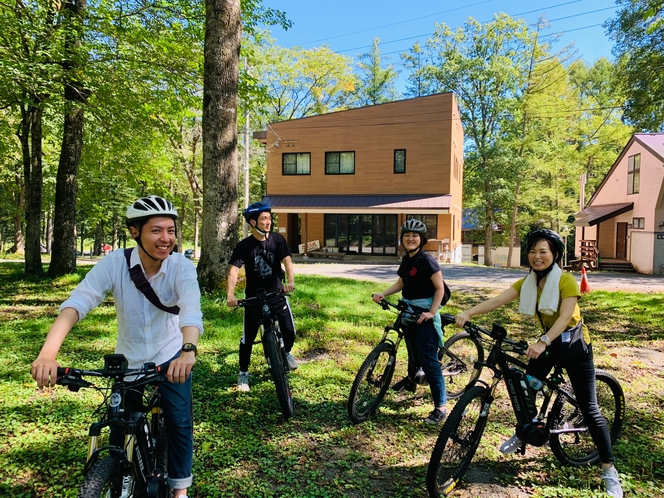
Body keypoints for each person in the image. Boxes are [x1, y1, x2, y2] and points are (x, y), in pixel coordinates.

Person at [31, 195, 203, 498]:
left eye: (171, 231)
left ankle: (180, 490)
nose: (166, 239)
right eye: (156, 230)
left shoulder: (181, 268)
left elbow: (190, 309)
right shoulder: (114, 264)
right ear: (135, 232)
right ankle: (116, 476)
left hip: (171, 355)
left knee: (178, 421)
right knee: (118, 425)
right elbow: (77, 303)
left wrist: (188, 350)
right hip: (130, 358)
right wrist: (48, 354)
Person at [455, 228, 623, 498]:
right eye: (532, 251)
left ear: (555, 254)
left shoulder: (565, 280)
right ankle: (526, 430)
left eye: (543, 251)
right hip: (548, 343)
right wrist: (468, 312)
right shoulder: (529, 282)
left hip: (574, 347)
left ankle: (608, 470)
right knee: (526, 384)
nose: (537, 256)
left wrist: (543, 341)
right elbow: (499, 299)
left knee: (590, 408)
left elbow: (566, 316)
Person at [372, 219, 449, 424]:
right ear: (402, 239)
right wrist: (383, 293)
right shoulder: (407, 259)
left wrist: (432, 313)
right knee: (412, 349)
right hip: (409, 310)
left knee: (429, 360)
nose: (411, 239)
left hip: (425, 313)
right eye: (407, 236)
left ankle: (441, 406)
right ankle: (412, 379)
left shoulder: (427, 260)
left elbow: (439, 289)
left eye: (415, 236)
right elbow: (401, 282)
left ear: (421, 239)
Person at [226, 202, 297, 392]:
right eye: (264, 218)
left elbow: (287, 261)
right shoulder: (244, 246)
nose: (268, 222)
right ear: (253, 222)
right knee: (247, 338)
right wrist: (230, 295)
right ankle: (243, 373)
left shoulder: (277, 240)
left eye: (269, 218)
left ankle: (287, 353)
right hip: (254, 299)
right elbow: (233, 270)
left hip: (276, 293)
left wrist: (290, 280)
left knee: (289, 331)